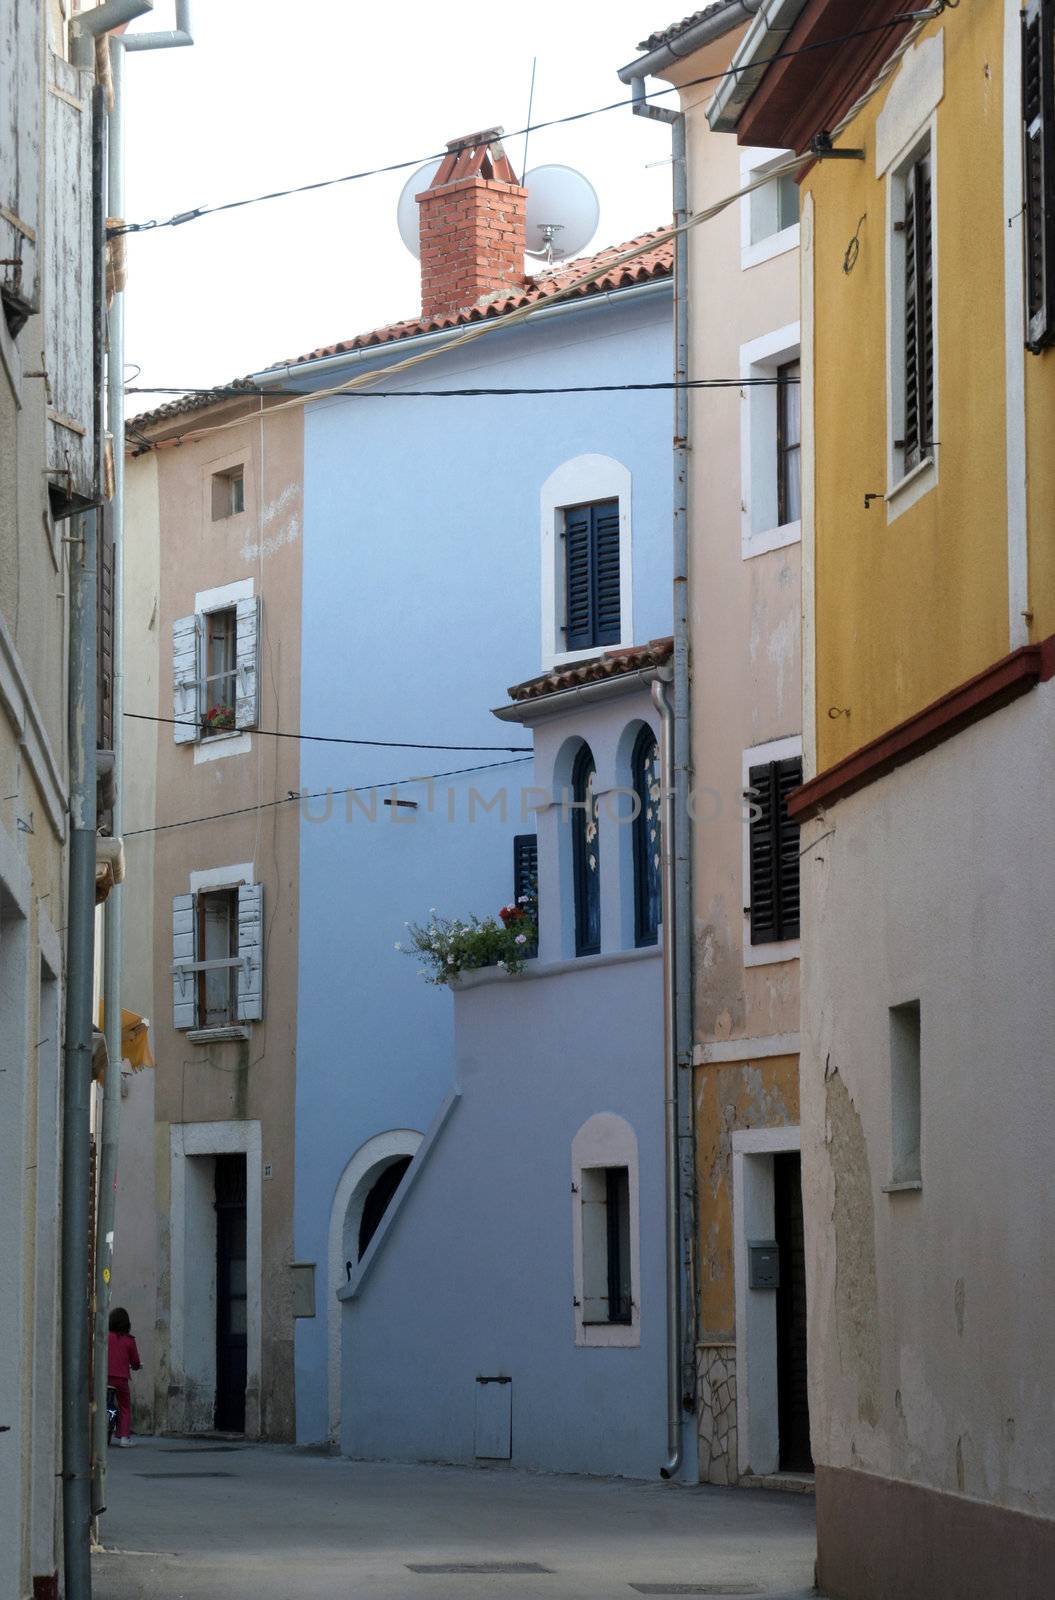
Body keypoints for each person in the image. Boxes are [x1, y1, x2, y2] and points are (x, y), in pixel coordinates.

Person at [107, 1307, 141, 1447]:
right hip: (120, 1379)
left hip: (104, 1377)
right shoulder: (129, 1341)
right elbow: (135, 1362)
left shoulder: (105, 1336)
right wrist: (136, 1366)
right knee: (125, 1406)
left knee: (100, 1403)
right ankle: (124, 1438)